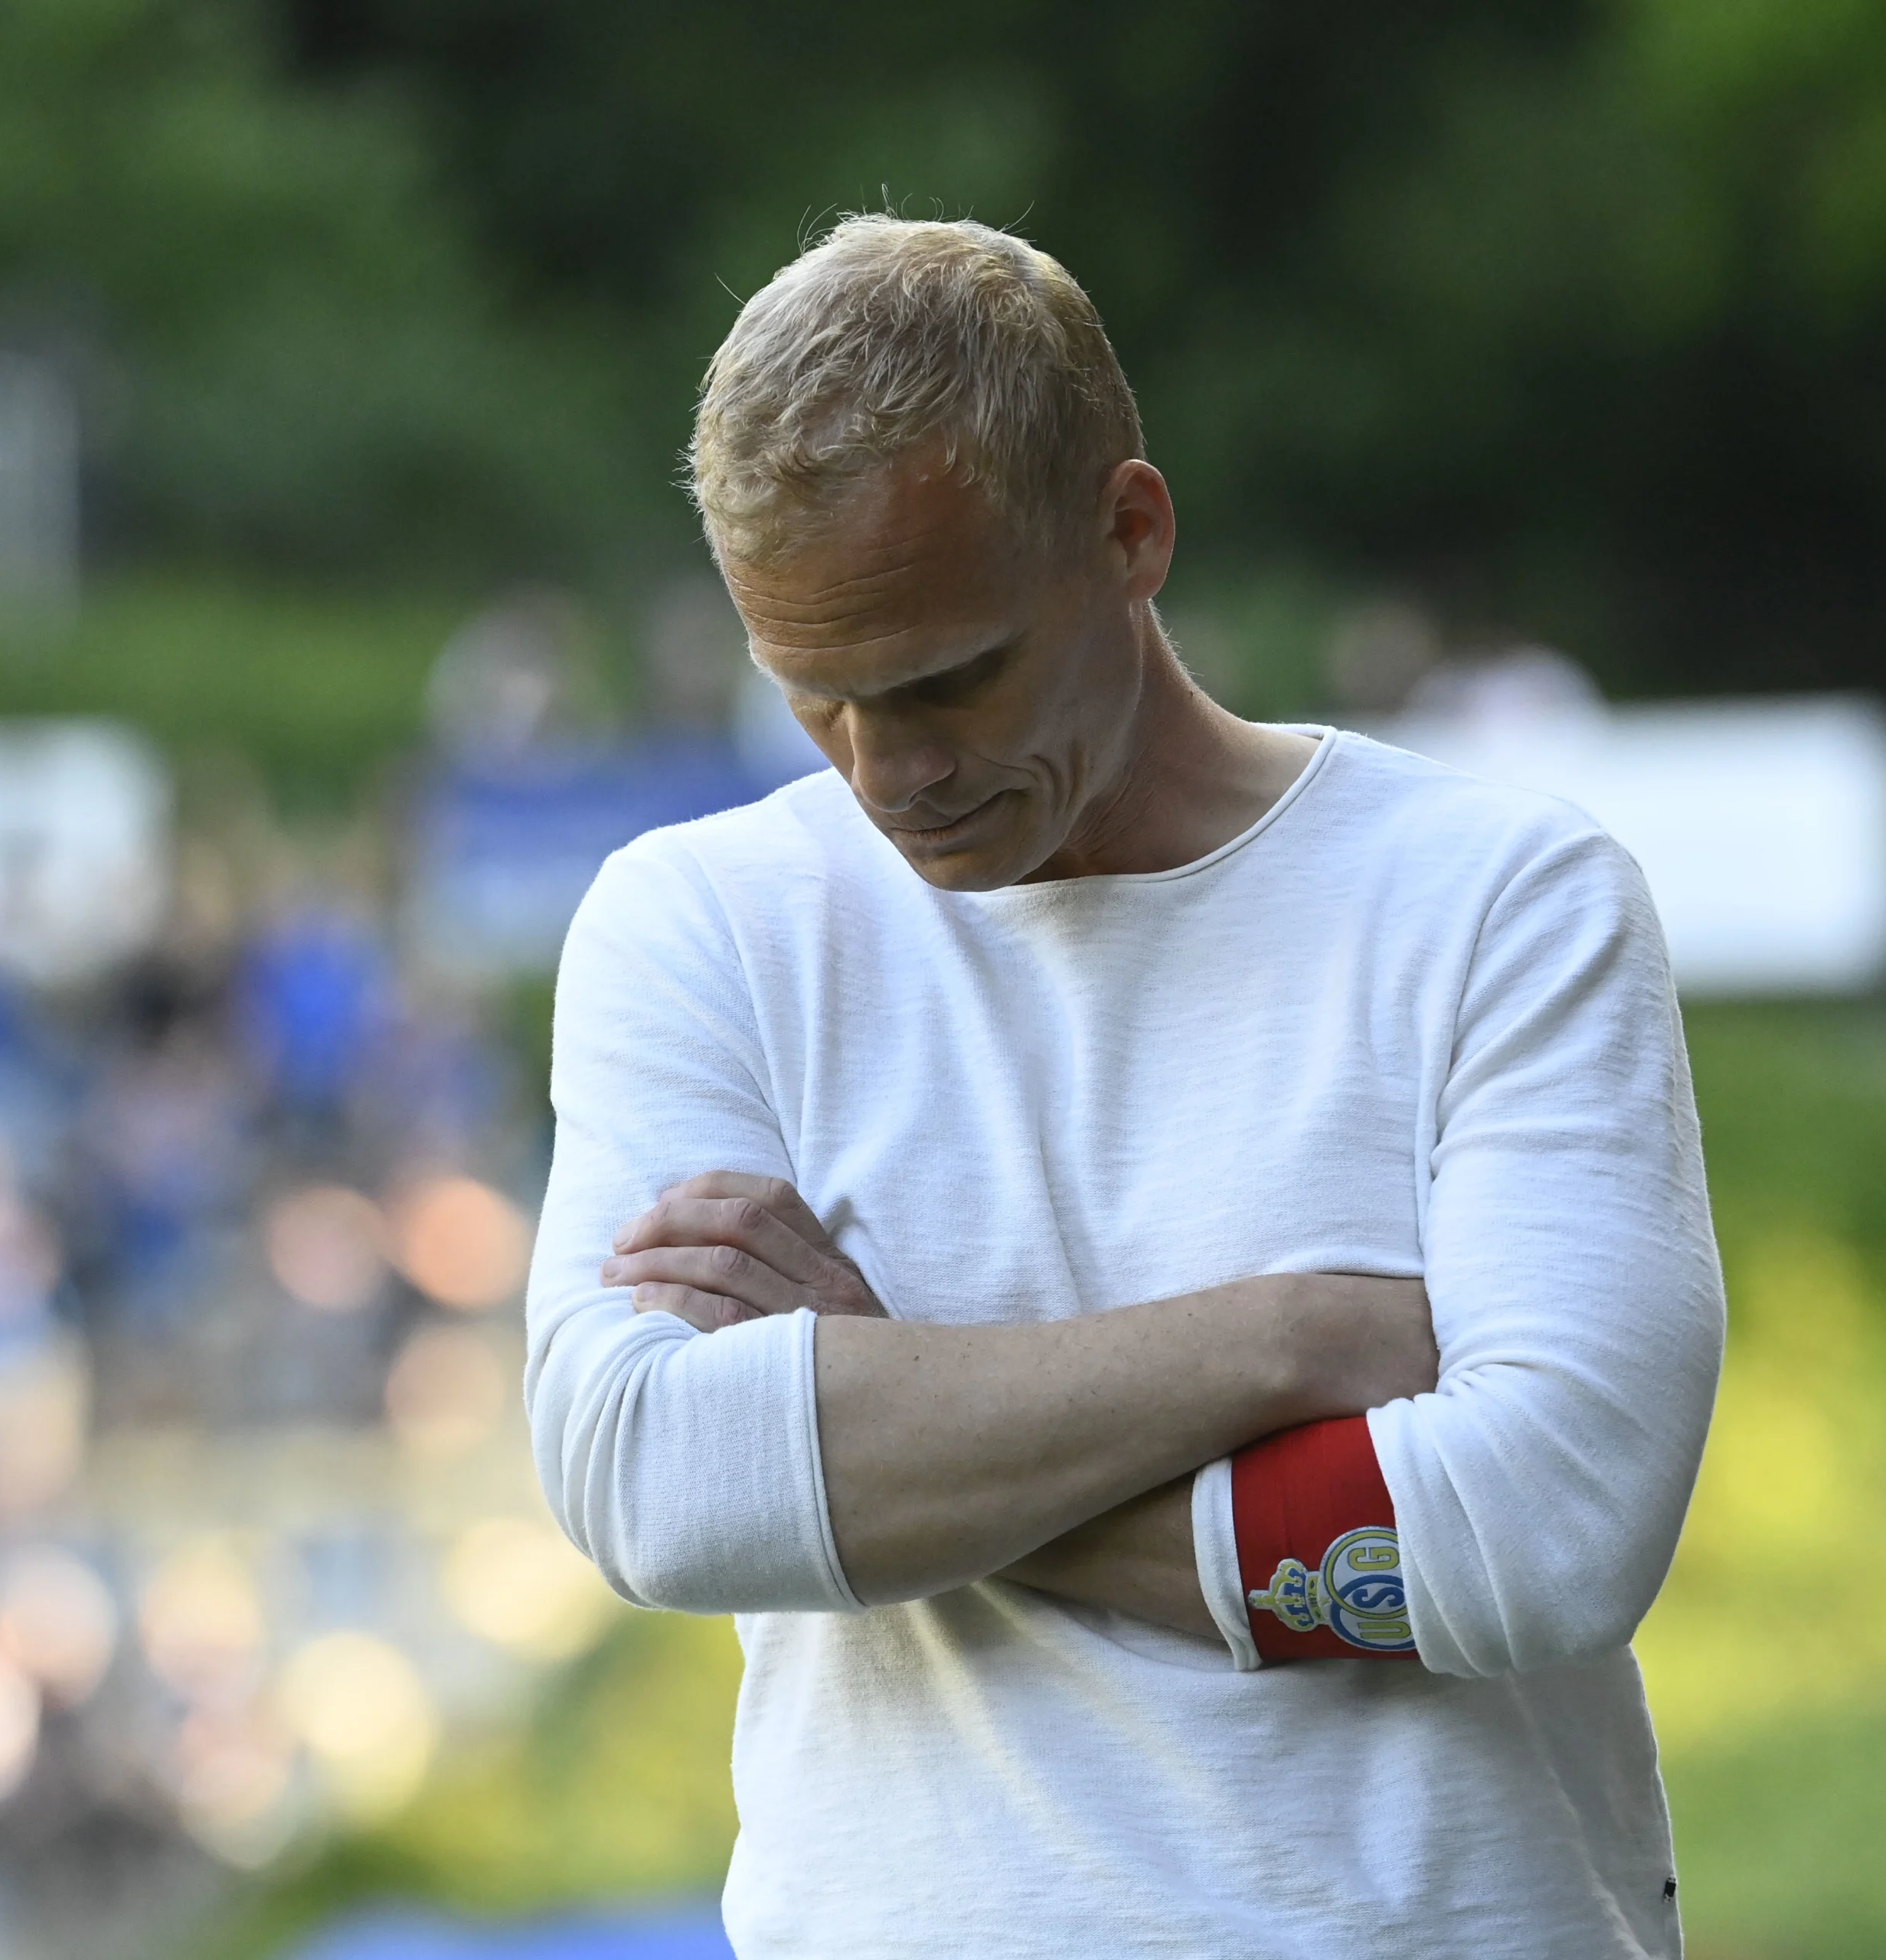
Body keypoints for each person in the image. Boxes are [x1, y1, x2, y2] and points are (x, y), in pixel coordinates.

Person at [524, 216, 1725, 1956]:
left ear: (1133, 531)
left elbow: (1542, 1533)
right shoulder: (698, 923)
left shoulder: (1500, 901)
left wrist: (882, 1425)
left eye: (947, 680)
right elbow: (650, 1479)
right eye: (819, 700)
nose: (893, 773)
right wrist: (1285, 1338)